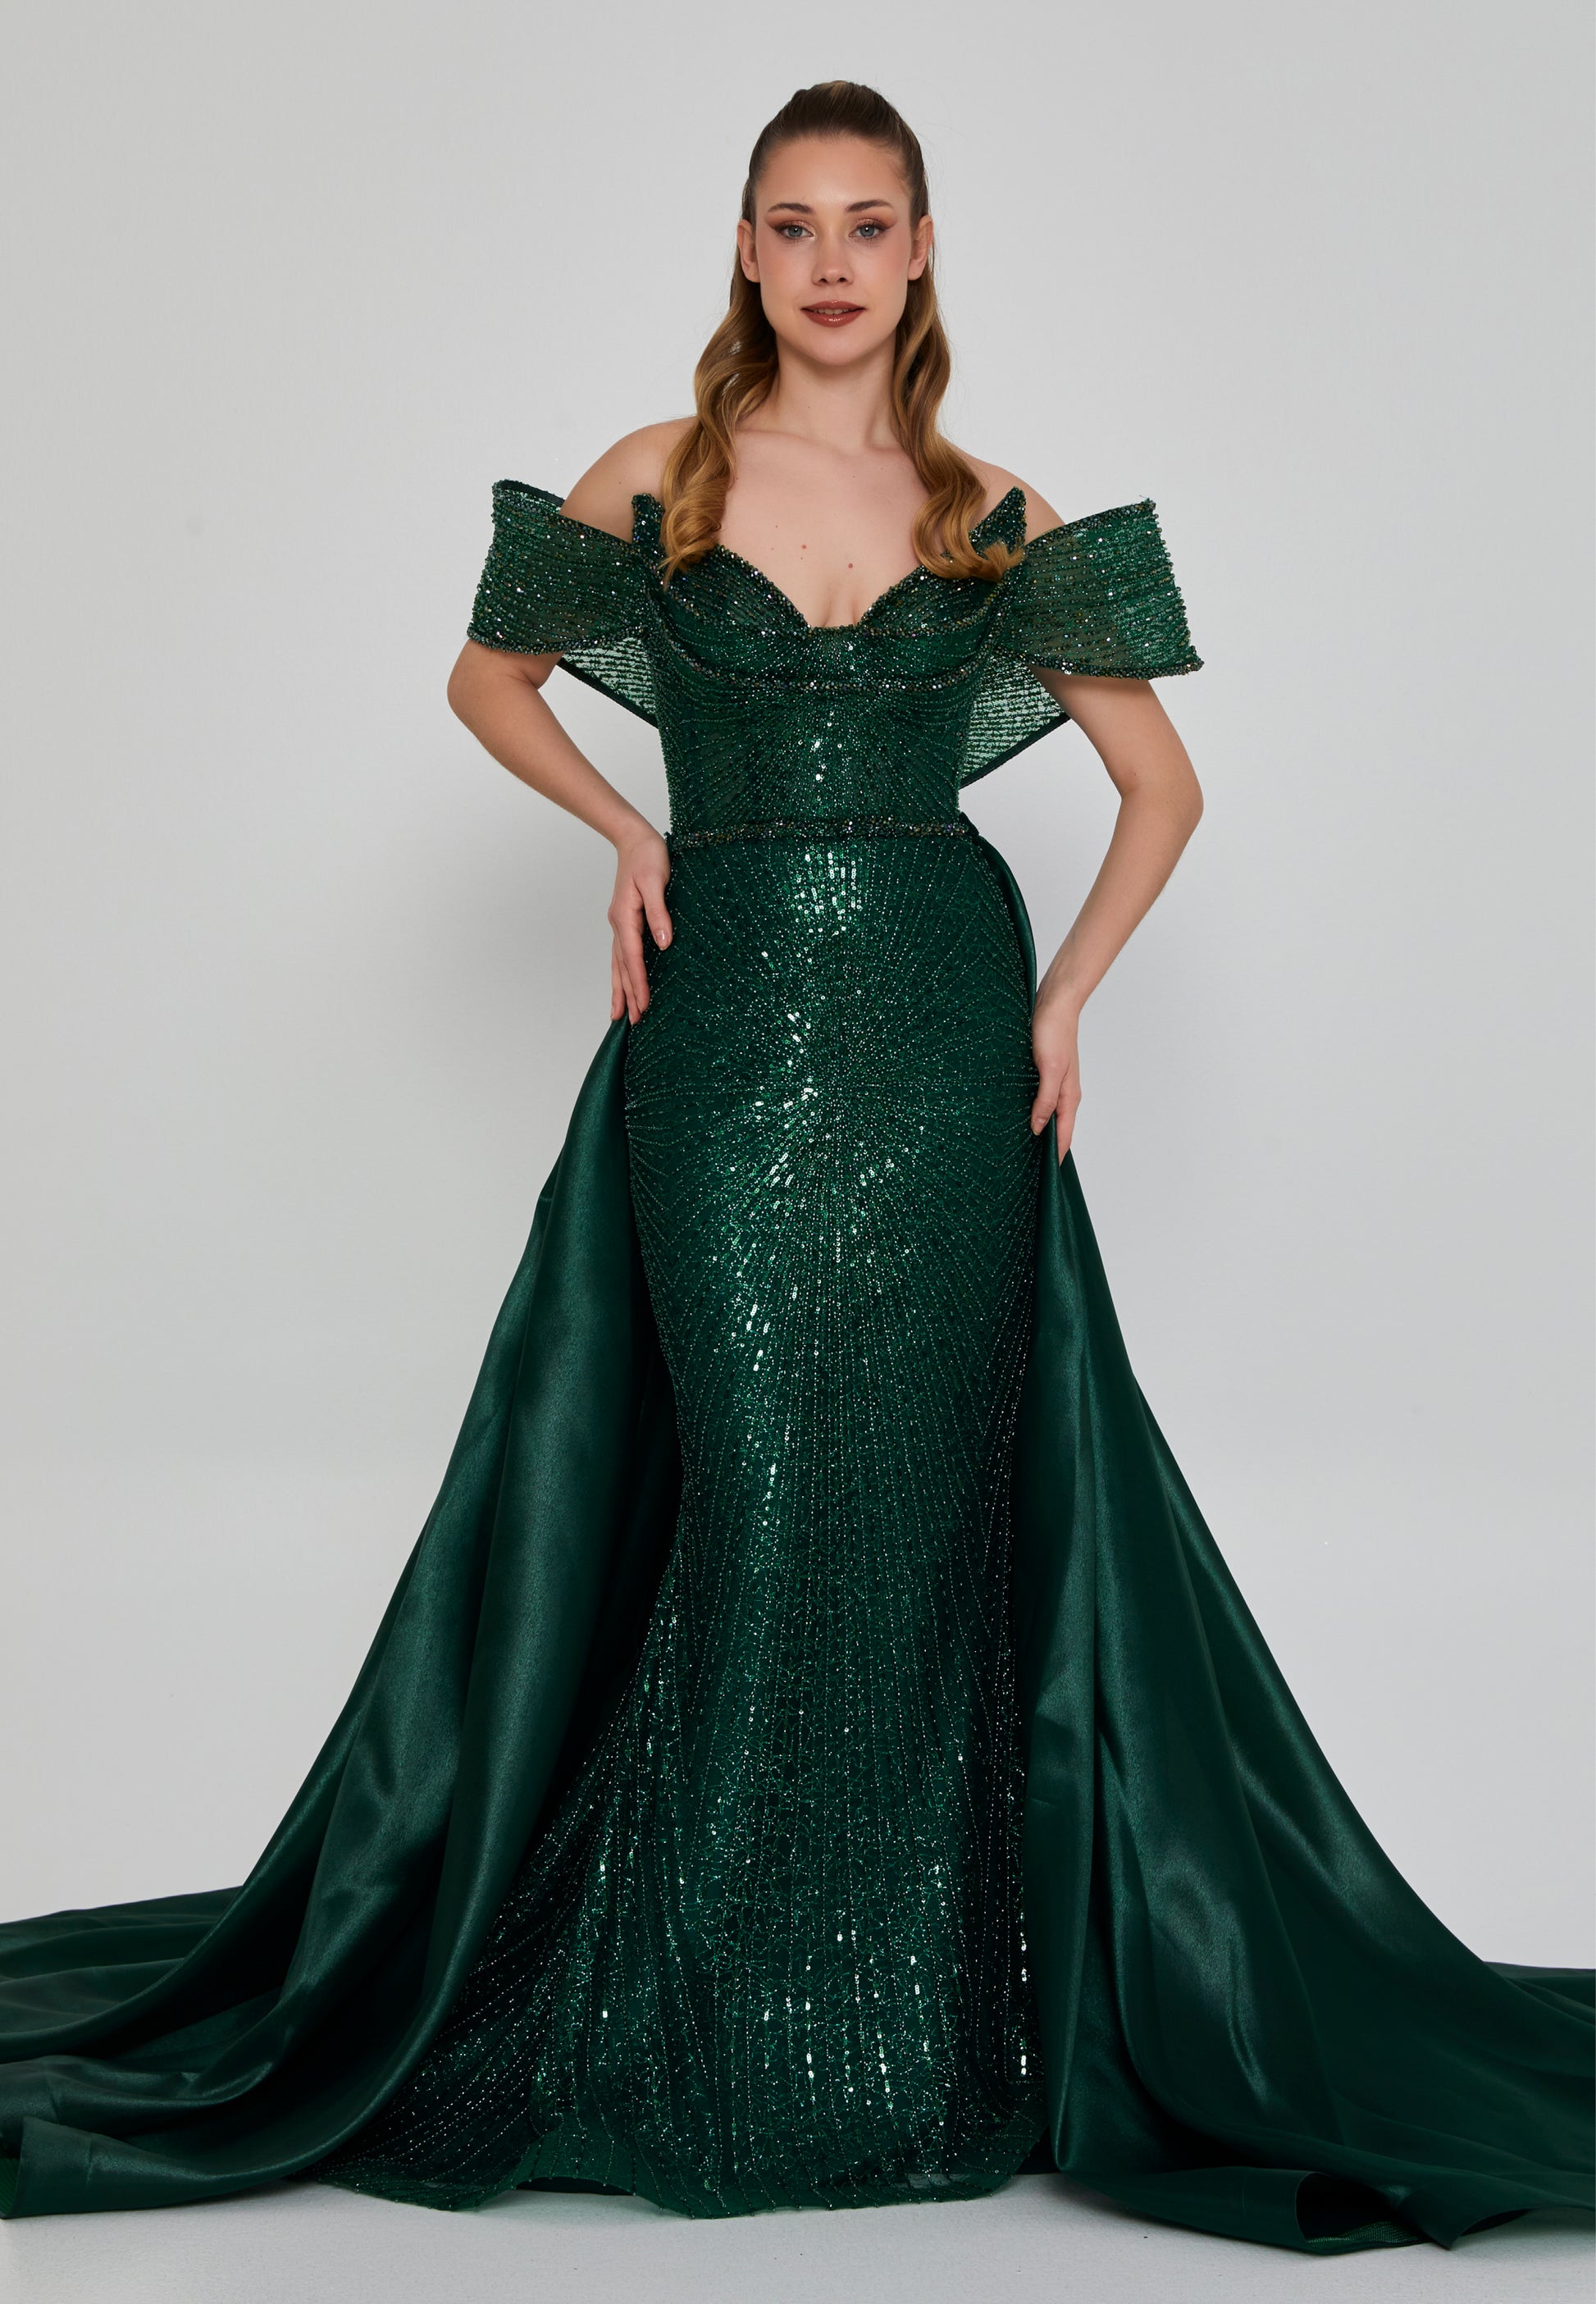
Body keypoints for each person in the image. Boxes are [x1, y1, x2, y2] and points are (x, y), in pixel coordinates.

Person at [0, 79, 1589, 2255]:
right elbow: (484, 681)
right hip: (723, 1027)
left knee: (915, 1513)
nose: (829, 260)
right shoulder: (651, 478)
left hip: (942, 1040)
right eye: (790, 222)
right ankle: (719, 2008)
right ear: (744, 251)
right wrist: (626, 826)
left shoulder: (995, 513)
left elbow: (1163, 789)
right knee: (750, 1483)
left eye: (866, 222)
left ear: (919, 251)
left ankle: (909, 2035)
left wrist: (1061, 1002)